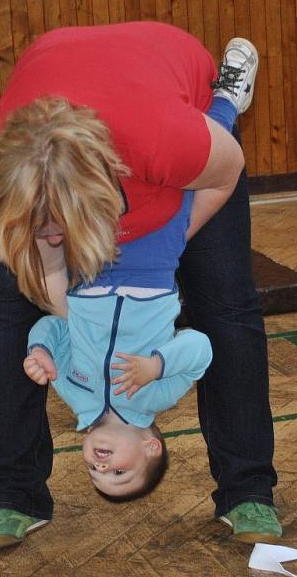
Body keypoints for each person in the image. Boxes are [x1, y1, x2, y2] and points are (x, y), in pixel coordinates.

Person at [0, 21, 280, 551]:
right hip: (48, 93)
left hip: (176, 138)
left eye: (57, 226)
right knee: (3, 318)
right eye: (41, 227)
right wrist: (63, 314)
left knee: (225, 306)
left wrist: (172, 243)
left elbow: (225, 173)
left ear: (102, 191)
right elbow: (46, 293)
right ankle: (14, 495)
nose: (51, 235)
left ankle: (247, 489)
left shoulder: (164, 140)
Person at [24, 190, 212, 501]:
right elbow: (200, 348)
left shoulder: (74, 394)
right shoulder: (158, 395)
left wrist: (39, 350)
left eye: (94, 472)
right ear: (151, 448)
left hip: (88, 270)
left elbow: (56, 327)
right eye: (118, 473)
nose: (100, 465)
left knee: (98, 187)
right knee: (157, 190)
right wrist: (156, 366)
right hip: (151, 269)